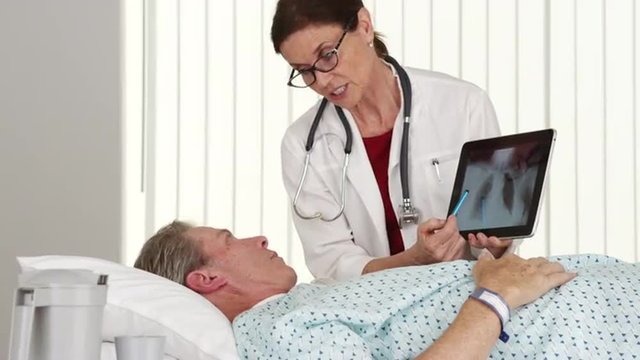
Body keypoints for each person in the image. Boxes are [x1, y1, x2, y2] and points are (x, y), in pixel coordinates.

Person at [270, 0, 519, 281]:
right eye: (304, 70)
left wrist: (496, 244)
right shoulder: (302, 145)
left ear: (364, 26)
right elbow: (332, 264)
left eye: (328, 55)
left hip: (467, 294)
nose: (322, 81)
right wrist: (413, 260)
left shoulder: (463, 105)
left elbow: (498, 231)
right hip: (374, 311)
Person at [134, 221, 640, 359]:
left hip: (607, 291)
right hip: (599, 326)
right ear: (206, 279)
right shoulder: (274, 331)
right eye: (229, 239)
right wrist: (494, 297)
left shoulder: (309, 298)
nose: (257, 237)